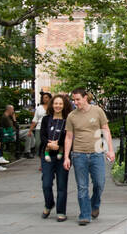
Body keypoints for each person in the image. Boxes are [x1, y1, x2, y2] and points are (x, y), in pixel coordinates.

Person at [63, 87, 115, 226]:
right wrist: (66, 157)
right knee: (82, 186)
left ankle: (95, 204)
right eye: (73, 100)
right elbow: (68, 137)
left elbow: (105, 130)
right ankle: (85, 214)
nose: (75, 102)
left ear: (85, 98)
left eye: (78, 99)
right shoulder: (72, 116)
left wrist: (110, 150)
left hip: (96, 152)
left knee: (99, 183)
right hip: (79, 154)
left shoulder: (97, 111)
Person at [40, 93, 71, 221]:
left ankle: (61, 211)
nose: (58, 106)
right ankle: (49, 204)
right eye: (56, 103)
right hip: (47, 154)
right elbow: (42, 135)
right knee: (46, 184)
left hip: (62, 155)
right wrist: (49, 144)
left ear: (64, 106)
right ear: (52, 105)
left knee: (62, 185)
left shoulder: (68, 120)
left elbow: (69, 137)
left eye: (60, 104)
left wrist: (59, 146)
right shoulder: (46, 119)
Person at [26, 93, 52, 158]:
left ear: (50, 98)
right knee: (38, 144)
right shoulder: (39, 108)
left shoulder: (53, 107)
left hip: (50, 128)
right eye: (43, 98)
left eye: (46, 97)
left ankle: (47, 159)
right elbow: (35, 120)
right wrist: (30, 130)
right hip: (39, 128)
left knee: (48, 145)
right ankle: (41, 161)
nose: (44, 99)